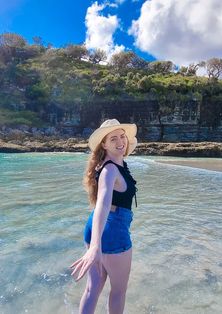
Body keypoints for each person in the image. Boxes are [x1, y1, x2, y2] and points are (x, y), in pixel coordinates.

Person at [70, 118, 138, 314]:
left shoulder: (111, 164)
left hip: (95, 227)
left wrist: (94, 243)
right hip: (112, 231)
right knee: (118, 292)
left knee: (93, 289)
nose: (120, 142)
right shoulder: (109, 170)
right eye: (113, 138)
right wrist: (95, 247)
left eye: (122, 136)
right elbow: (103, 203)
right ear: (104, 144)